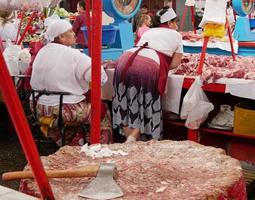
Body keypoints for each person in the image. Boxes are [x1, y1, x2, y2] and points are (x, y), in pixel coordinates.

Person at [30, 19, 112, 146]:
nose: (74, 34)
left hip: (37, 106)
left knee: (82, 105)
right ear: (61, 37)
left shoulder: (42, 52)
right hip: (63, 109)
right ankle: (100, 147)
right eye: (70, 31)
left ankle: (73, 142)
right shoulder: (73, 54)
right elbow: (98, 77)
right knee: (102, 110)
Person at [112, 8, 183, 142]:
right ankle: (132, 139)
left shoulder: (149, 31)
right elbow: (174, 64)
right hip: (148, 66)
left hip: (125, 59)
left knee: (125, 103)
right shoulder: (176, 36)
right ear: (169, 23)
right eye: (175, 23)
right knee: (146, 105)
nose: (176, 26)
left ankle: (130, 141)